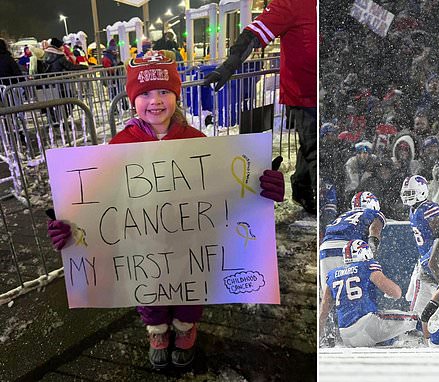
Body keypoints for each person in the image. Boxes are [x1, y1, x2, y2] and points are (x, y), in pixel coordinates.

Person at [46, 52, 285, 369]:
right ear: (133, 100)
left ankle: (186, 328)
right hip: (142, 240)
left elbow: (224, 187)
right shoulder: (119, 145)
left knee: (191, 284)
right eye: (144, 93)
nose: (154, 101)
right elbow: (97, 195)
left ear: (176, 95)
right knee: (149, 287)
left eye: (163, 91)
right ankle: (157, 332)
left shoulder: (197, 140)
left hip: (191, 241)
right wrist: (71, 225)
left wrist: (261, 188)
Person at [203, 0, 317, 214]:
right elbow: (254, 34)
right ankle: (320, 201)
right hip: (304, 95)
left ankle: (302, 187)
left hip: (327, 90)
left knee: (313, 145)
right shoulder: (293, 3)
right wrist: (230, 64)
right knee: (315, 147)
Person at [319, 239, 420, 348]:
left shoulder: (332, 274)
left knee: (389, 333)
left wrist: (319, 336)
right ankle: (432, 342)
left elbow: (323, 311)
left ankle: (389, 343)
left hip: (346, 335)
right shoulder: (367, 267)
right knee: (416, 318)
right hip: (367, 325)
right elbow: (396, 293)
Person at [319, 191, 385, 293]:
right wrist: (372, 247)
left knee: (329, 292)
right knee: (353, 292)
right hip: (349, 248)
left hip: (325, 248)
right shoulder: (373, 213)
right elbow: (374, 229)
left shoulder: (343, 215)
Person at [400, 175, 439, 315]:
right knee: (414, 297)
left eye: (411, 193)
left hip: (434, 258)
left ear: (422, 191)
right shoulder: (414, 209)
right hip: (426, 258)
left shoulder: (428, 207)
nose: (407, 197)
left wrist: (430, 257)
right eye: (405, 193)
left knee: (437, 296)